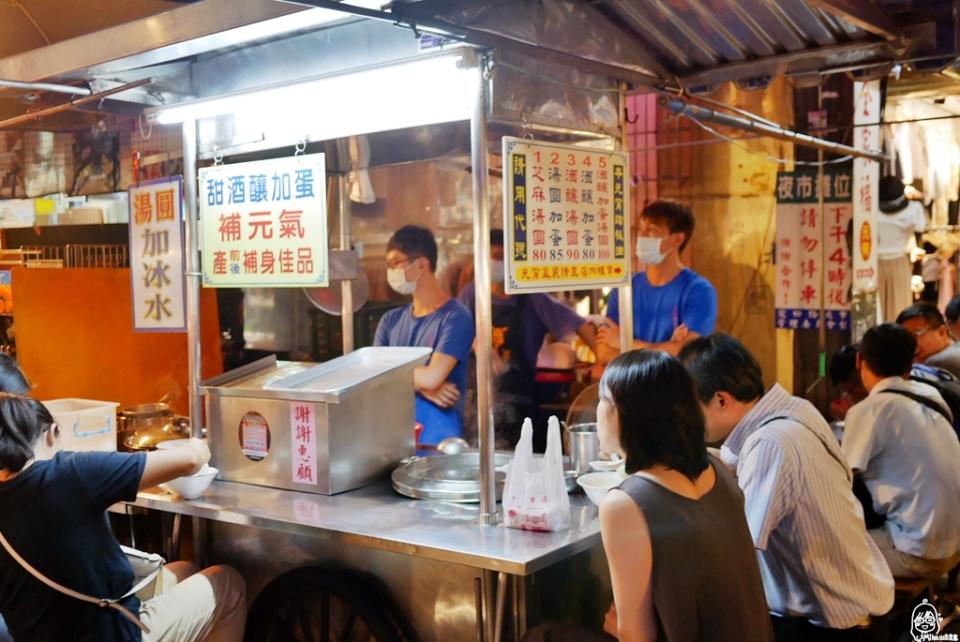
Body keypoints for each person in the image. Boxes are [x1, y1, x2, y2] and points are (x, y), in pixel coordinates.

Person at [524, 350, 772, 642]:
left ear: (625, 414)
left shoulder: (625, 504)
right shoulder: (715, 468)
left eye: (603, 400)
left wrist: (618, 627)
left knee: (542, 636)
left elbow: (637, 637)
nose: (597, 410)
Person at [679, 334, 894, 641]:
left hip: (835, 626)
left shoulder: (771, 442)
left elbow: (738, 549)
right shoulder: (794, 409)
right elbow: (732, 460)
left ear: (721, 400)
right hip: (860, 597)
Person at [0, 394, 246, 641]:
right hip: (113, 635)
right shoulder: (66, 473)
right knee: (227, 583)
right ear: (51, 433)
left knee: (185, 571)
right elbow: (191, 460)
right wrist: (198, 443)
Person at [457, 230, 598, 446]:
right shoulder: (471, 294)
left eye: (503, 257)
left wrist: (603, 360)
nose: (498, 262)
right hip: (477, 398)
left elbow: (579, 324)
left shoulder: (533, 297)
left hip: (521, 401)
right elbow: (455, 332)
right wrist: (475, 342)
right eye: (493, 257)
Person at [843, 323, 960, 580]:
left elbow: (839, 480)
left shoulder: (869, 410)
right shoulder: (930, 395)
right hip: (954, 546)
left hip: (917, 552)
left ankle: (863, 618)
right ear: (912, 362)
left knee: (821, 547)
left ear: (859, 360)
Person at [373, 225, 475, 446]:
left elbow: (432, 377)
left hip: (437, 441)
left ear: (421, 264)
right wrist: (426, 389)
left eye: (395, 263)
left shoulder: (456, 317)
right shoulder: (390, 321)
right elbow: (372, 379)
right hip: (392, 436)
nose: (390, 271)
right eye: (388, 265)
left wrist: (397, 378)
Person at [597, 201, 717, 358]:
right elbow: (603, 352)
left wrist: (623, 343)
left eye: (651, 230)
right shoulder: (625, 288)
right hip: (631, 383)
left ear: (677, 239)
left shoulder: (698, 290)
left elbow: (689, 354)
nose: (641, 236)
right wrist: (666, 349)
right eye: (640, 229)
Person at [877, 176, 926, 323]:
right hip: (896, 262)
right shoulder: (915, 209)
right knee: (897, 308)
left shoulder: (870, 208)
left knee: (882, 310)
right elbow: (920, 233)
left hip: (879, 262)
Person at [896, 302, 960, 378]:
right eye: (904, 337)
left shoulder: (936, 363)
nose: (908, 343)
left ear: (941, 332)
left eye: (915, 335)